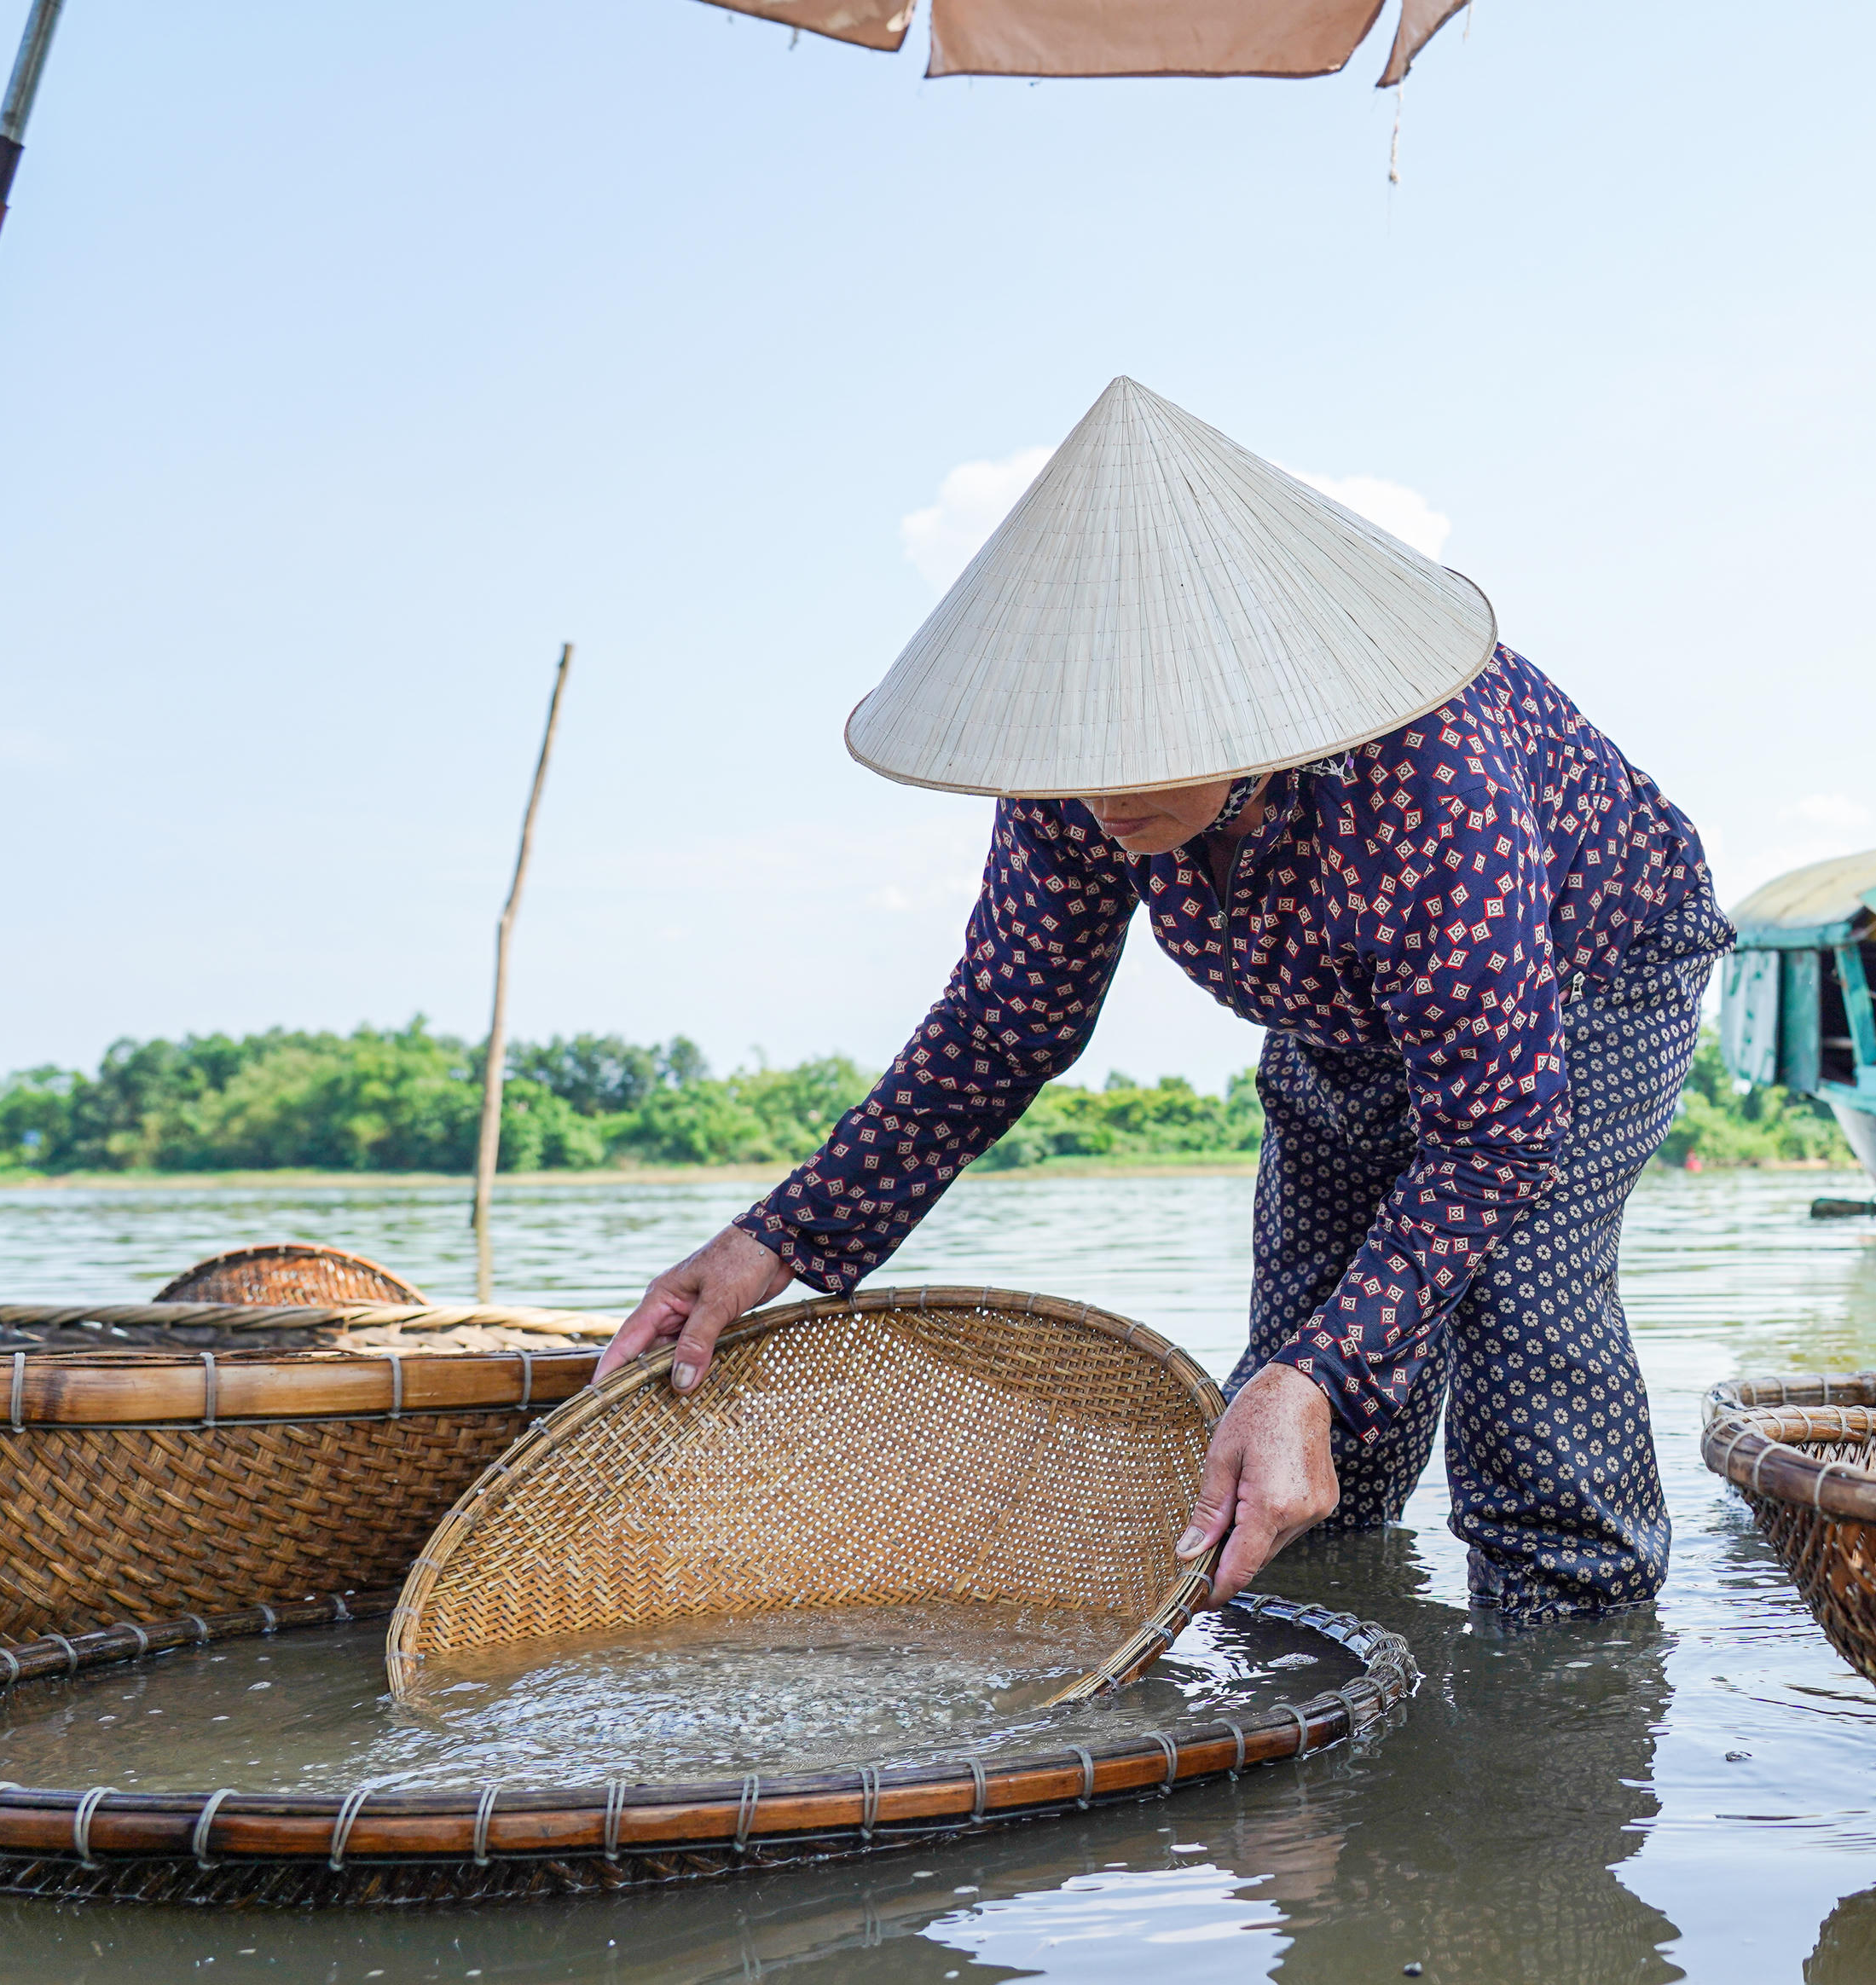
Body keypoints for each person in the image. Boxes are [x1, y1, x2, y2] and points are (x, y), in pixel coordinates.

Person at [596, 377, 1728, 1618]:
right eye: (1079, 767)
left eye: (1140, 755)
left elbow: (1494, 1135)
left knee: (1517, 1305)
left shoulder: (1428, 775)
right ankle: (1331, 1658)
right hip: (1340, 1022)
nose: (1102, 804)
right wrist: (779, 1239)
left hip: (1595, 974)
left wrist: (1326, 1370)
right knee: (1287, 1394)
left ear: (1258, 716)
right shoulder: (1078, 790)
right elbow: (1002, 1022)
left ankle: (1564, 1699)